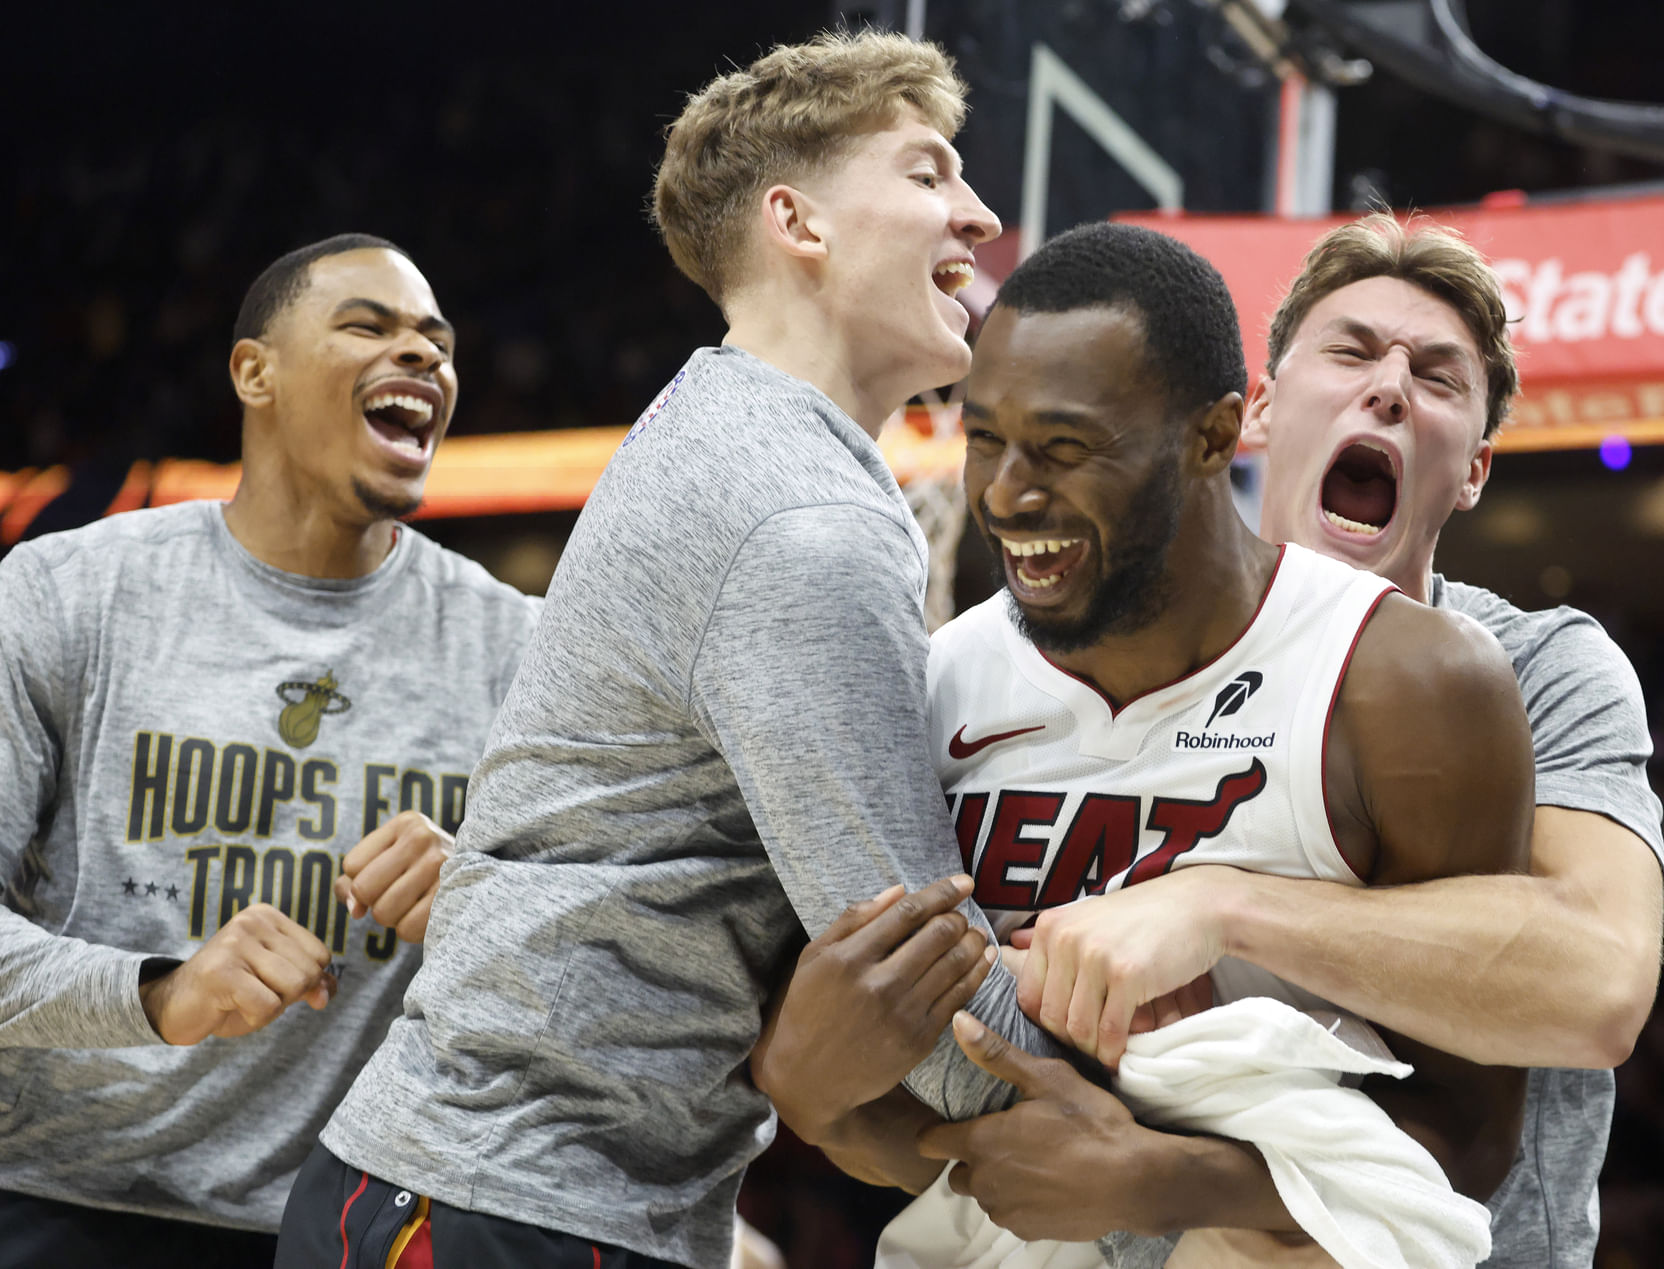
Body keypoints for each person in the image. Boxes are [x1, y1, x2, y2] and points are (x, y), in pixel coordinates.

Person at [275, 31, 1077, 1269]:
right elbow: (918, 984)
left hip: (498, 1188)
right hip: (513, 1205)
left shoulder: (725, 429)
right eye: (928, 173)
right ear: (797, 222)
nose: (977, 213)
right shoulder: (796, 514)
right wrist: (1199, 1169)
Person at [750, 221, 1540, 1264]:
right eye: (986, 439)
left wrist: (1164, 1180)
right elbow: (922, 1129)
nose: (1006, 494)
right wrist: (810, 1094)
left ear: (1213, 437)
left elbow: (1475, 1132)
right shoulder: (934, 684)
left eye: (1065, 448)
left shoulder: (1409, 684)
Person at [998, 213, 1664, 1268]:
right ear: (1259, 410)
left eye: (1437, 378)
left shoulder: (1542, 667)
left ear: (1475, 469)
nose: (1390, 387)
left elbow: (1596, 986)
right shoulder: (1091, 659)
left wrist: (1219, 907)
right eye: (1351, 352)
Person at [0, 233, 541, 1268]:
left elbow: (595, 961)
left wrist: (487, 902)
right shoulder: (67, 595)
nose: (422, 356)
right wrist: (161, 994)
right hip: (56, 1198)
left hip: (349, 1221)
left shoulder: (516, 648)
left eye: (437, 343)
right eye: (368, 326)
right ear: (255, 371)